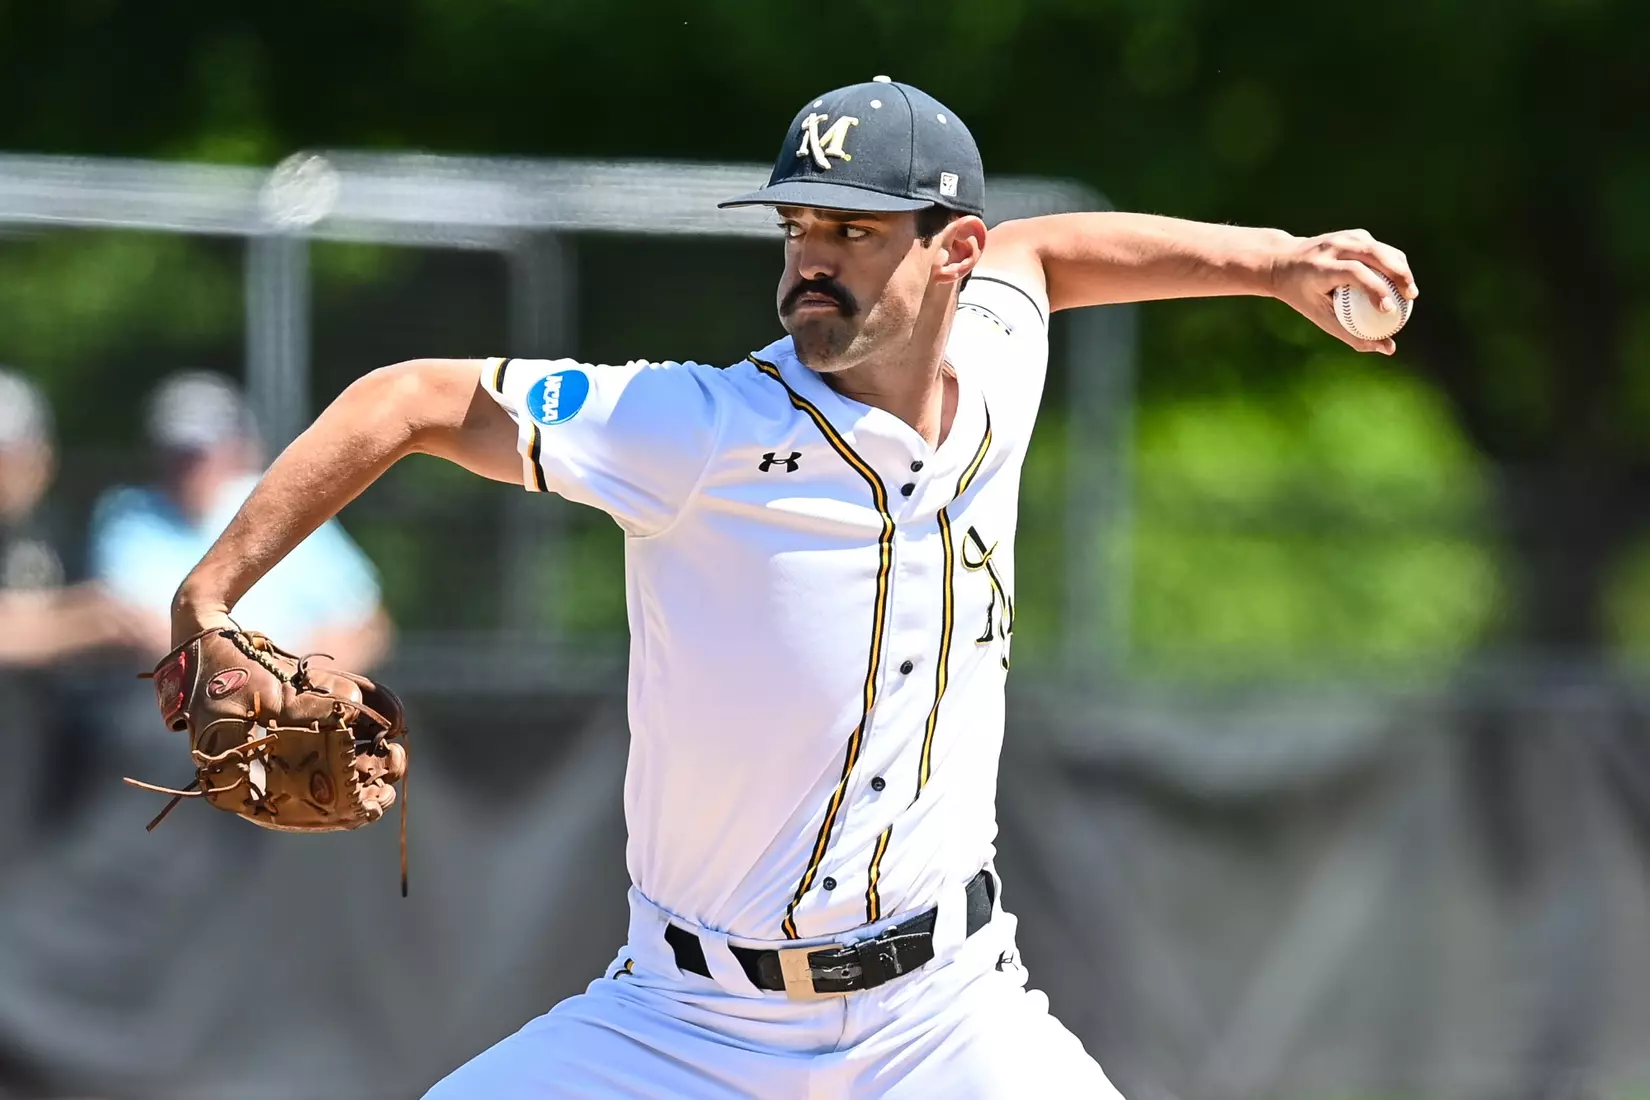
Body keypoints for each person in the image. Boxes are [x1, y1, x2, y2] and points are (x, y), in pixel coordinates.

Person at [165, 78, 1417, 1098]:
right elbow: (413, 399)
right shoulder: (696, 429)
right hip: (684, 1024)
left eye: (854, 231)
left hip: (947, 1017)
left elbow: (1046, 253)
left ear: (951, 253)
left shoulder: (997, 351)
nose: (810, 261)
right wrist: (213, 593)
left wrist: (1279, 262)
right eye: (797, 227)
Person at [89, 370, 390, 669]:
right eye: (176, 453)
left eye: (199, 453)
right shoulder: (130, 515)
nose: (187, 468)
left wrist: (301, 683)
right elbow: (141, 625)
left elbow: (365, 623)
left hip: (298, 688)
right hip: (181, 697)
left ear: (235, 447)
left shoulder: (283, 502)